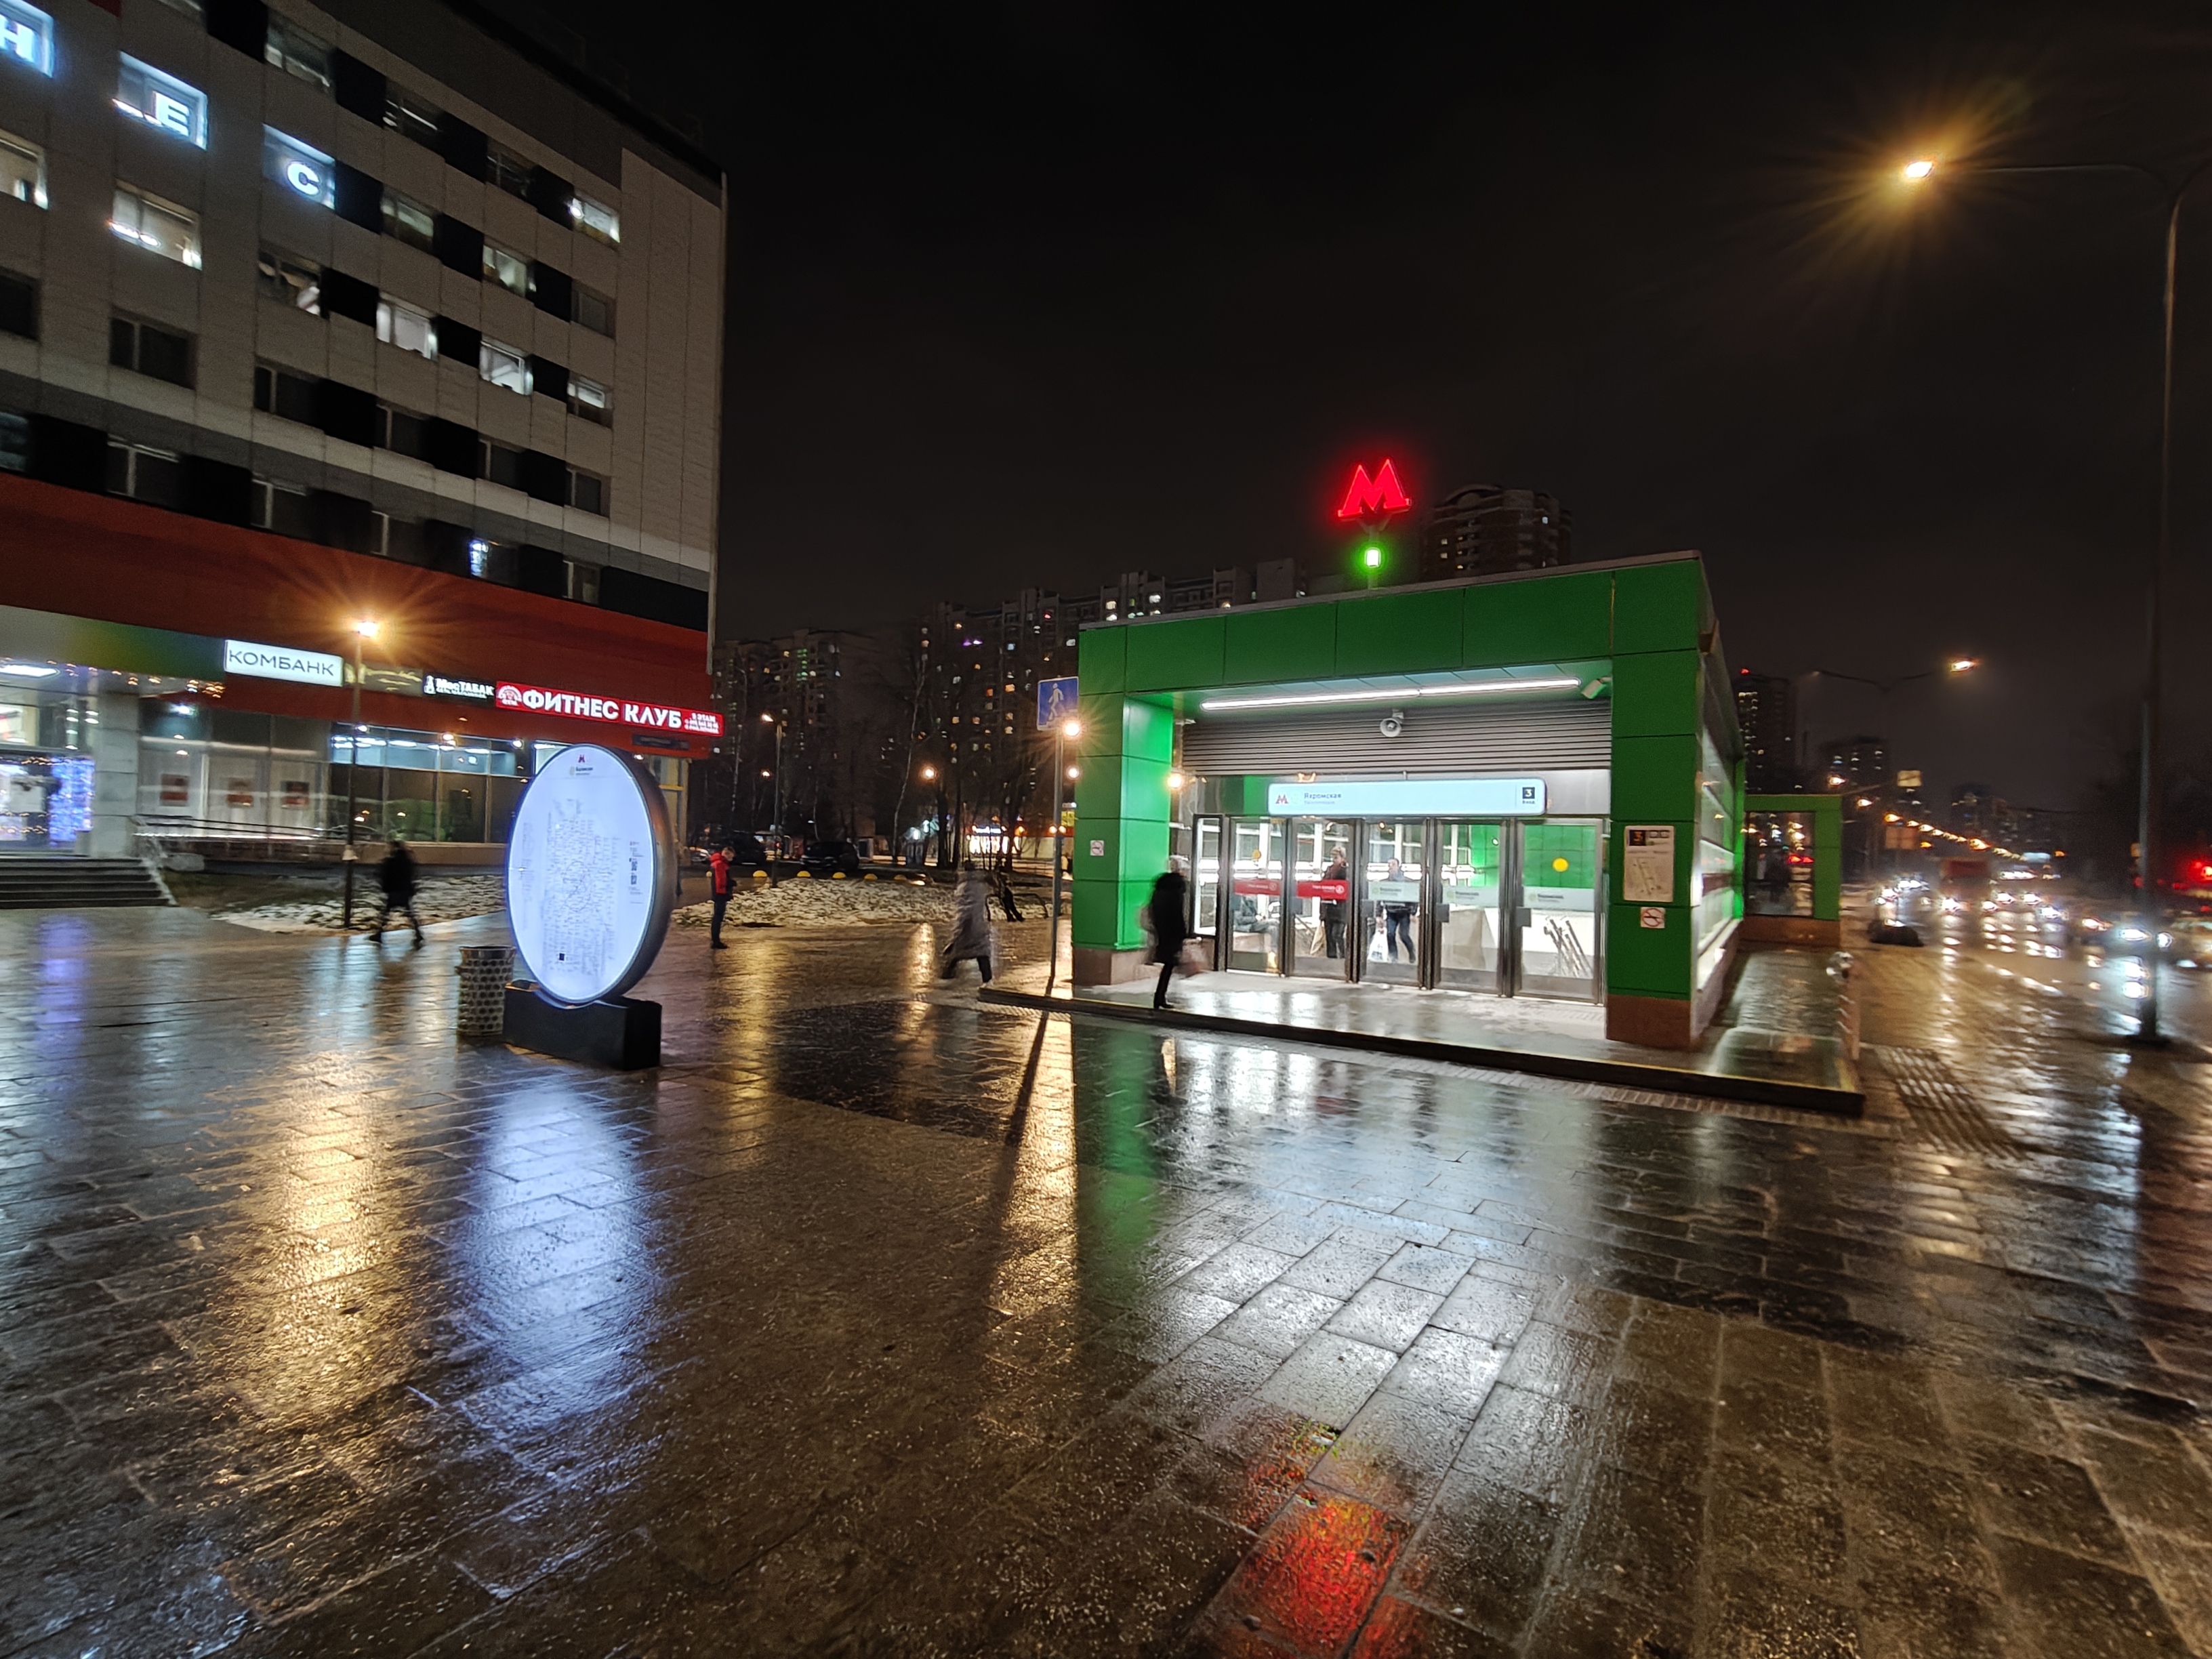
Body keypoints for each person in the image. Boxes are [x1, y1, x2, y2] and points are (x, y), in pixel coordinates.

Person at [941, 860, 995, 983]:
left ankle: (945, 980)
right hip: (980, 925)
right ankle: (988, 981)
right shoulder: (981, 885)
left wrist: (957, 931)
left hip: (968, 926)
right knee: (982, 953)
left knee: (956, 953)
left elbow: (964, 910)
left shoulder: (964, 887)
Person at [1147, 859, 1191, 1010]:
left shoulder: (1160, 888)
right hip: (1173, 933)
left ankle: (1160, 997)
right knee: (1170, 964)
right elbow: (1177, 914)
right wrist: (1183, 933)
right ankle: (1160, 997)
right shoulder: (1176, 891)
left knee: (1169, 965)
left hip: (1162, 931)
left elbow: (1153, 911)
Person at [373, 838, 422, 945]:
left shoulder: (391, 862)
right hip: (404, 890)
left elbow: (385, 874)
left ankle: (379, 934)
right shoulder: (407, 860)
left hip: (395, 890)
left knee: (387, 913)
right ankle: (418, 933)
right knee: (408, 913)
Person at [1382, 856, 1415, 964]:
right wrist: (1378, 914)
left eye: (1393, 865)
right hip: (1391, 912)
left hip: (1404, 912)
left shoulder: (1406, 882)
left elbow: (1414, 897)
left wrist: (1413, 912)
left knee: (1404, 935)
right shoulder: (1386, 883)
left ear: (1398, 866)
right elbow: (1380, 898)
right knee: (1390, 934)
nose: (1391, 867)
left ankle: (1411, 952)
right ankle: (1393, 958)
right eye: (1389, 865)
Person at [1320, 852, 1348, 958]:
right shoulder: (1329, 870)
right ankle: (1331, 957)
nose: (1333, 860)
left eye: (1336, 857)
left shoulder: (1345, 871)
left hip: (1340, 909)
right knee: (1329, 936)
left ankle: (1343, 955)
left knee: (1337, 934)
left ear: (1342, 858)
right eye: (1332, 857)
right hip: (1328, 907)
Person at [708, 842, 735, 949]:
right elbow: (721, 881)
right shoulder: (720, 864)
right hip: (720, 894)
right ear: (727, 854)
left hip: (720, 893)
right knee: (718, 918)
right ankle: (716, 941)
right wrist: (730, 884)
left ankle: (715, 940)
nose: (732, 859)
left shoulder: (718, 863)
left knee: (718, 917)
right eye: (731, 856)